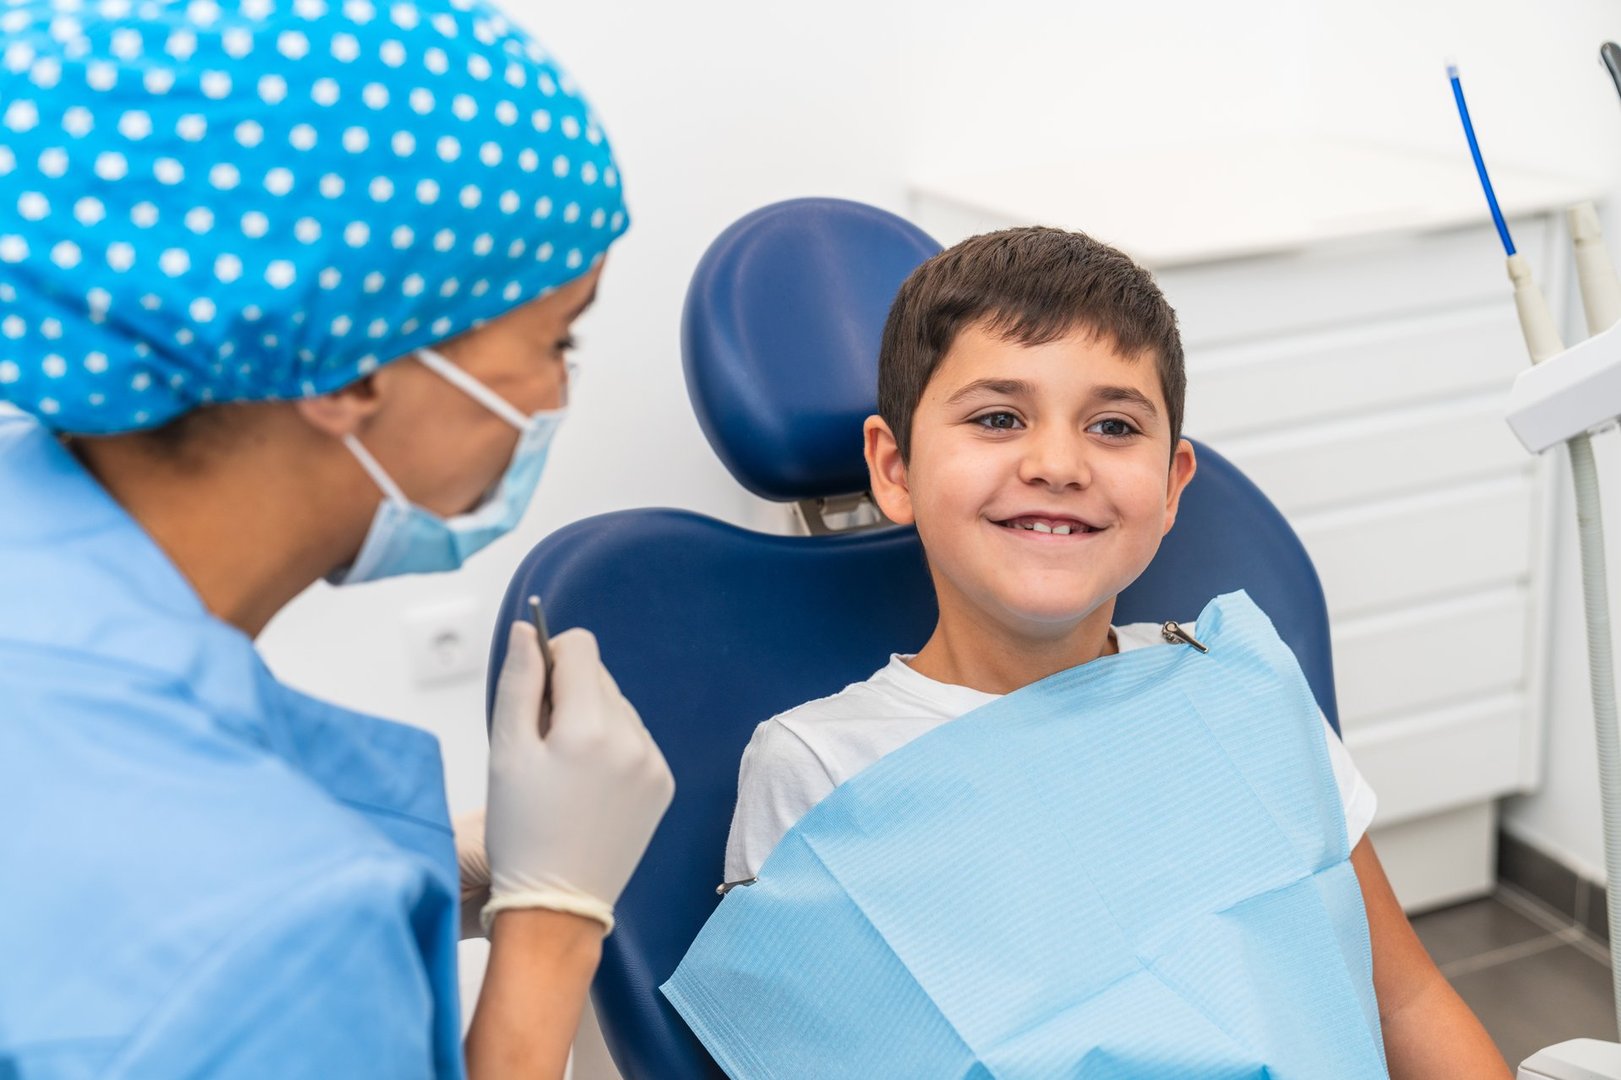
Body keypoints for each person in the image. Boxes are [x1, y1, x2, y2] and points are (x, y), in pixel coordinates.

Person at [0, 1, 673, 1077]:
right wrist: (554, 923)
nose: (557, 394)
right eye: (555, 338)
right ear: (353, 371)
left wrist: (452, 862)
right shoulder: (267, 928)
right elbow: (232, 919)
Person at [721, 227, 1512, 1077]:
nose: (1057, 463)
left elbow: (1404, 999)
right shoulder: (824, 770)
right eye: (997, 418)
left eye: (1111, 425)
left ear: (1171, 486)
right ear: (895, 466)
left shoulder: (1238, 691)